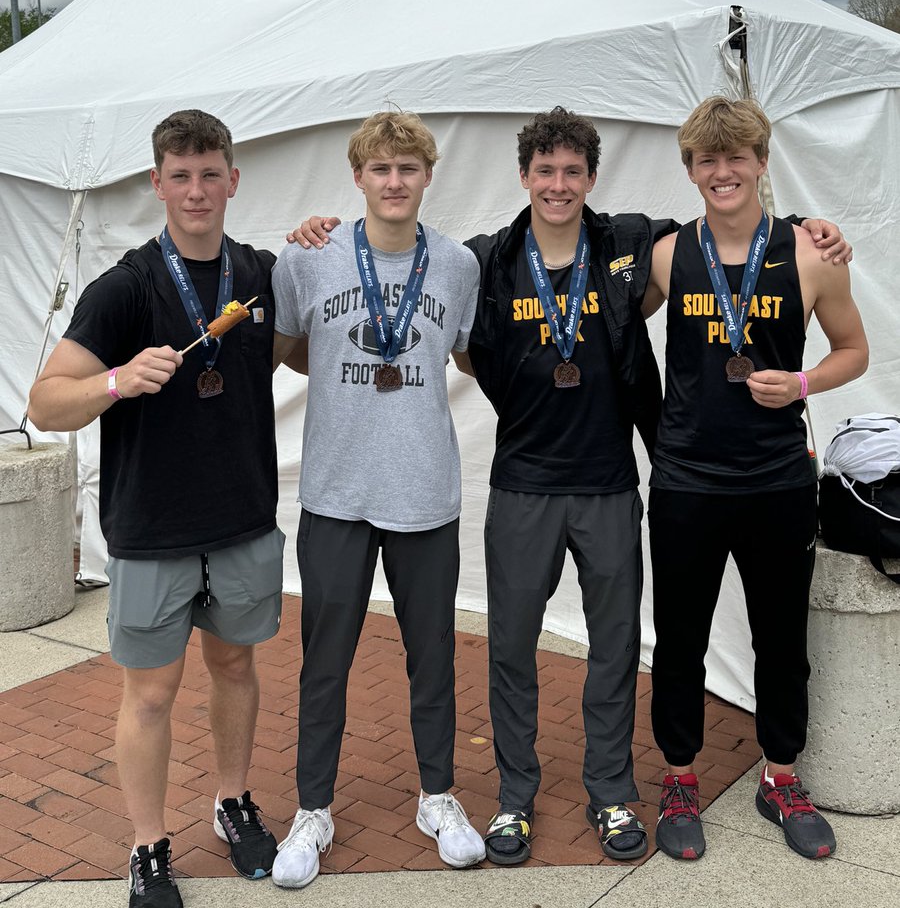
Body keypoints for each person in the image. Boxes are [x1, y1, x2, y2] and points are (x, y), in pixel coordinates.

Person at [290, 105, 849, 866]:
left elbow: (728, 218)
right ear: (523, 177)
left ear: (592, 178)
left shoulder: (627, 247)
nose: (558, 185)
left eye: (573, 172)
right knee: (512, 651)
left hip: (611, 484)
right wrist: (317, 229)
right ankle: (514, 798)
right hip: (522, 484)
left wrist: (815, 224)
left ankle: (613, 791)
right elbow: (461, 349)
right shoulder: (483, 259)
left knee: (616, 652)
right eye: (545, 171)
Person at [29, 111, 285, 908]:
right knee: (149, 694)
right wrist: (113, 381)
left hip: (241, 518)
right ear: (157, 184)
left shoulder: (262, 274)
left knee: (237, 667)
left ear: (233, 179)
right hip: (150, 530)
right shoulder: (127, 286)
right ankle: (147, 846)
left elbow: (309, 343)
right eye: (181, 175)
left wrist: (325, 242)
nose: (197, 190)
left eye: (211, 173)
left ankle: (233, 802)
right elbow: (44, 403)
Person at [643, 96, 868, 863]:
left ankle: (780, 776)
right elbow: (589, 286)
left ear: (763, 162)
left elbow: (853, 351)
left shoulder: (808, 253)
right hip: (685, 483)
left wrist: (804, 385)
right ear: (691, 170)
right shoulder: (669, 255)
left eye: (737, 156)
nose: (723, 171)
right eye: (708, 159)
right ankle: (680, 779)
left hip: (775, 480)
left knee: (781, 641)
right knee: (678, 642)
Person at [269, 110, 485, 890]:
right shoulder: (309, 260)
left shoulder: (458, 265)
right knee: (324, 662)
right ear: (357, 176)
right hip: (335, 493)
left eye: (409, 168)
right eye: (380, 169)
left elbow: (464, 350)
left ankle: (438, 798)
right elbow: (292, 350)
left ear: (428, 176)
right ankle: (313, 810)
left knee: (431, 657)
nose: (394, 182)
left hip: (425, 492)